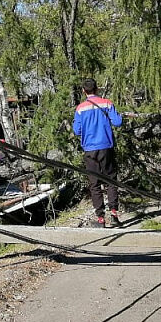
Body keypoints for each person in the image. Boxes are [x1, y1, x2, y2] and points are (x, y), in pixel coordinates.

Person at [72, 79, 123, 227]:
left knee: (94, 184)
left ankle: (101, 219)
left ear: (83, 91)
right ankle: (114, 214)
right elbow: (118, 122)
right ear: (97, 89)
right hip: (106, 146)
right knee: (111, 180)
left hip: (89, 149)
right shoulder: (107, 103)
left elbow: (76, 131)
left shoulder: (80, 108)